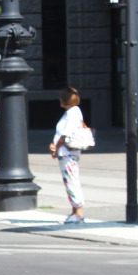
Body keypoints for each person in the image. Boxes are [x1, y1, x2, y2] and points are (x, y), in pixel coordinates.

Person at [49, 86, 87, 224]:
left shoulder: (72, 113)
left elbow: (66, 134)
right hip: (67, 152)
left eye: (61, 97)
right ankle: (75, 211)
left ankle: (78, 213)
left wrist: (56, 147)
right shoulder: (72, 112)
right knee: (70, 180)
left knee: (71, 181)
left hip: (67, 152)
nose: (59, 99)